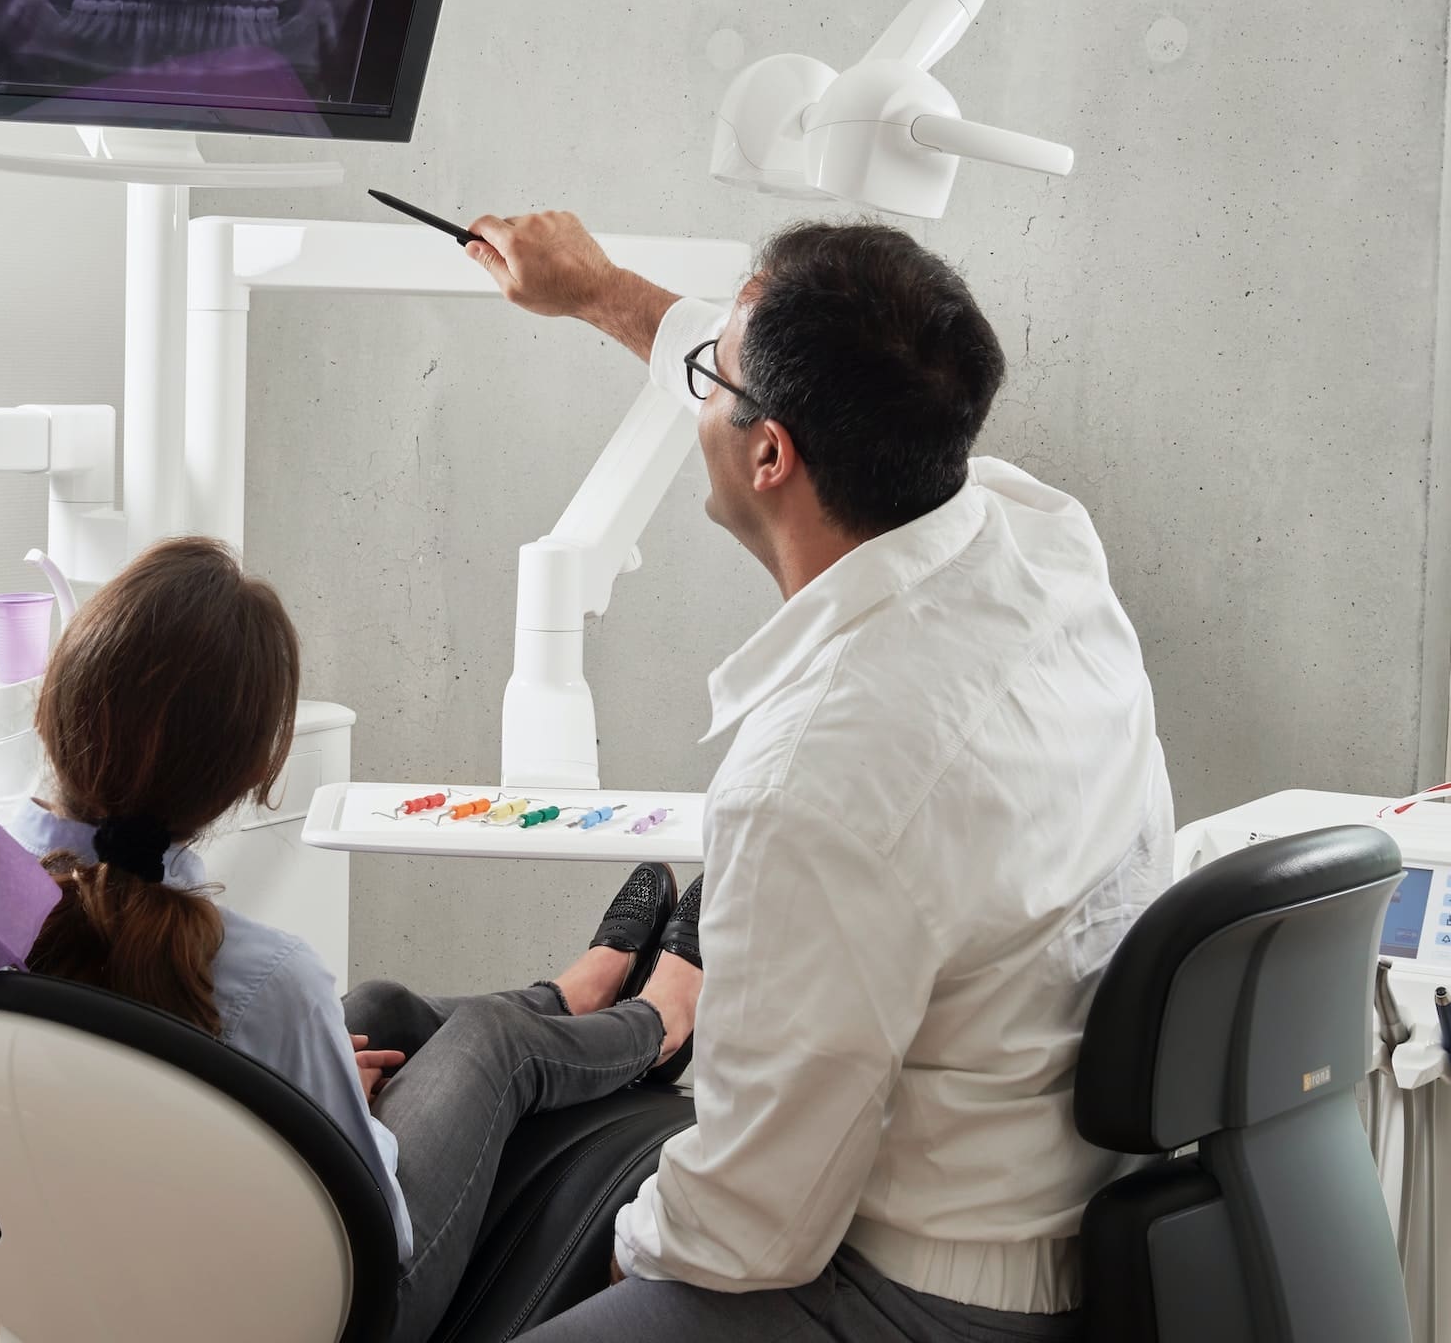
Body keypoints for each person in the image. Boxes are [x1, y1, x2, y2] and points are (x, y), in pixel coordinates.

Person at [457, 213, 1174, 1341]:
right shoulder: (1038, 535)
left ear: (771, 454)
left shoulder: (819, 776)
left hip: (913, 1293)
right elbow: (769, 366)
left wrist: (610, 1266)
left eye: (714, 373)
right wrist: (596, 291)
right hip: (1050, 1203)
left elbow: (748, 1231)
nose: (703, 372)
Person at [0, 535, 707, 1343]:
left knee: (376, 1008)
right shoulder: (267, 980)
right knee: (488, 1042)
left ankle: (571, 999)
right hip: (331, 1311)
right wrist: (341, 1129)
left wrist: (314, 1091)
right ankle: (658, 1023)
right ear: (249, 777)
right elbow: (380, 1228)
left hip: (111, 1279)